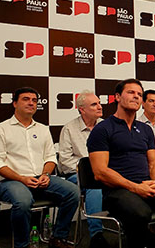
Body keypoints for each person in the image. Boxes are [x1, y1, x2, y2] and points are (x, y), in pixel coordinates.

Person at [86, 79, 155, 248]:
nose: (136, 97)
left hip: (148, 186)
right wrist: (134, 187)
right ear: (117, 97)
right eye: (131, 92)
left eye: (139, 94)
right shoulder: (103, 129)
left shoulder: (145, 129)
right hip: (118, 191)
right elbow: (100, 172)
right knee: (140, 213)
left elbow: (154, 162)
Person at [0, 87, 79, 248]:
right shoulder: (2, 129)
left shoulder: (42, 129)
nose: (31, 103)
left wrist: (45, 174)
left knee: (73, 192)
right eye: (26, 99)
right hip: (10, 181)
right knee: (23, 201)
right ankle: (23, 244)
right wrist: (21, 178)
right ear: (15, 103)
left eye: (34, 100)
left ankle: (58, 238)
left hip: (40, 178)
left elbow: (50, 157)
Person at [58, 90, 109, 248]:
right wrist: (91, 169)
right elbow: (65, 161)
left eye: (99, 103)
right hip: (76, 175)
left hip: (106, 173)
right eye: (94, 104)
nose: (99, 106)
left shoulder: (106, 126)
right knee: (94, 184)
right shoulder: (69, 129)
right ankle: (97, 235)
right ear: (82, 109)